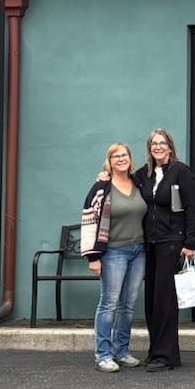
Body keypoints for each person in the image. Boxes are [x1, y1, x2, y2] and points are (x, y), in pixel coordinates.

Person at [123, 128, 195, 372]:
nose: (158, 147)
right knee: (152, 299)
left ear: (170, 146)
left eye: (162, 143)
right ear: (149, 148)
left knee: (165, 299)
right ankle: (155, 351)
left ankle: (167, 356)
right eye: (153, 143)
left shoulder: (181, 171)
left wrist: (189, 243)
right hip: (150, 243)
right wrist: (104, 175)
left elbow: (190, 208)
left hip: (172, 242)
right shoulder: (143, 174)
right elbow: (121, 179)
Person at [81, 142, 147, 373]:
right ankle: (103, 355)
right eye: (115, 156)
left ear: (130, 159)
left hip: (139, 251)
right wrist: (93, 257)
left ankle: (122, 351)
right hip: (113, 253)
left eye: (124, 155)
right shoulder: (102, 187)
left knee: (128, 305)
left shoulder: (139, 183)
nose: (121, 159)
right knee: (109, 304)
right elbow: (89, 220)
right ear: (109, 161)